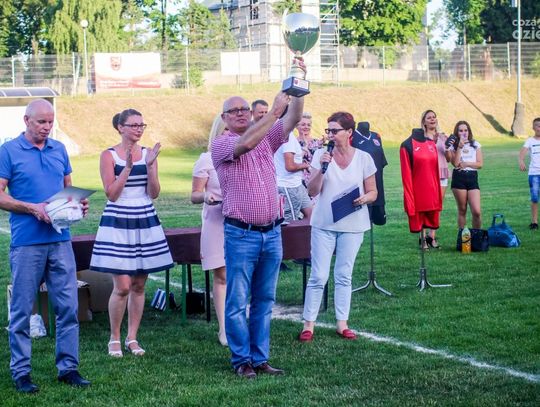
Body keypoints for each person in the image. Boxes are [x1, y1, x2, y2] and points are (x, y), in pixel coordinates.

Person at [211, 79, 305, 378]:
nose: (241, 113)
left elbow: (292, 119)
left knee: (264, 300)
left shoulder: (266, 136)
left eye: (244, 109)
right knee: (238, 301)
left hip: (272, 232)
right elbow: (247, 143)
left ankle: (260, 358)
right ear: (224, 118)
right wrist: (274, 112)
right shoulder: (222, 144)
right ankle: (242, 360)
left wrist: (298, 91)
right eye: (234, 110)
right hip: (241, 234)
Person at [0, 99, 90, 392]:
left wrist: (78, 205)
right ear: (26, 120)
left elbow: (68, 189)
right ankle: (21, 373)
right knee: (22, 311)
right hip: (27, 243)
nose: (47, 127)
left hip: (60, 240)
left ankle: (68, 368)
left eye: (50, 122)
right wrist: (31, 207)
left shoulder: (59, 149)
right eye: (41, 122)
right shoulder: (8, 151)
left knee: (68, 308)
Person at [90, 109, 174, 358]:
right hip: (118, 220)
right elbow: (112, 194)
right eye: (134, 125)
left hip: (144, 218)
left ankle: (132, 338)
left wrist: (150, 167)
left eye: (141, 125)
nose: (139, 129)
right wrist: (126, 168)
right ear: (120, 127)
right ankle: (114, 337)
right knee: (123, 285)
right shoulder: (108, 155)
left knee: (138, 284)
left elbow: (154, 192)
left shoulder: (149, 154)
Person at [298, 112, 377, 342]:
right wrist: (322, 169)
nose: (330, 134)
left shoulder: (364, 158)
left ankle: (342, 323)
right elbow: (312, 191)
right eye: (328, 130)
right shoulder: (321, 156)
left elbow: (373, 191)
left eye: (335, 130)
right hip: (324, 223)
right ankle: (308, 324)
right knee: (318, 275)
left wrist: (364, 199)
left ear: (349, 132)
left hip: (353, 224)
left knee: (343, 274)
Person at [191, 114, 228, 346]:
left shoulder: (245, 155)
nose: (230, 135)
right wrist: (206, 196)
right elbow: (194, 194)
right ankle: (224, 328)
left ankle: (238, 322)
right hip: (215, 221)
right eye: (225, 131)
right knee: (222, 274)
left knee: (240, 274)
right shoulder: (207, 159)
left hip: (240, 220)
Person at [400, 128, 442, 238]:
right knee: (419, 225)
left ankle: (430, 239)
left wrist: (438, 198)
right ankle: (423, 241)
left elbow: (435, 172)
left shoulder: (431, 143)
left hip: (432, 196)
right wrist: (410, 204)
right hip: (417, 197)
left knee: (431, 222)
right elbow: (406, 176)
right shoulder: (406, 145)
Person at [420, 110, 449, 249]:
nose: (432, 119)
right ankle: (422, 238)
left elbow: (449, 158)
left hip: (442, 173)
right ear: (424, 121)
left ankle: (432, 237)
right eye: (429, 117)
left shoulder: (443, 137)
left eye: (434, 117)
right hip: (427, 175)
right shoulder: (420, 138)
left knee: (437, 207)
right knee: (425, 206)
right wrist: (433, 142)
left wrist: (448, 147)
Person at [447, 120, 483, 230]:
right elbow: (455, 163)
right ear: (457, 133)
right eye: (461, 131)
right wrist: (459, 147)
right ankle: (463, 237)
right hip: (459, 177)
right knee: (462, 210)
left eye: (466, 130)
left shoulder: (475, 144)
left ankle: (476, 235)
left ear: (469, 131)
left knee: (476, 211)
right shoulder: (453, 146)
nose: (464, 133)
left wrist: (467, 163)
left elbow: (480, 164)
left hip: (472, 177)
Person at [274, 129, 313, 222]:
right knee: (290, 222)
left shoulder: (285, 134)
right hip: (288, 186)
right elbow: (290, 166)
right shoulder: (288, 137)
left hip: (297, 184)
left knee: (312, 216)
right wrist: (305, 165)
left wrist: (301, 153)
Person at [519, 117, 540, 230]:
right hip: (534, 173)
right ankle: (534, 222)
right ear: (533, 127)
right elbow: (522, 152)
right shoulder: (530, 141)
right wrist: (521, 161)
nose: (539, 128)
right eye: (537, 125)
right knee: (535, 198)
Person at [296, 112, 323, 184]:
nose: (306, 127)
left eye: (308, 125)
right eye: (303, 124)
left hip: (313, 180)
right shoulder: (293, 143)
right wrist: (305, 148)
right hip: (298, 181)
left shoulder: (317, 142)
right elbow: (292, 163)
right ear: (296, 126)